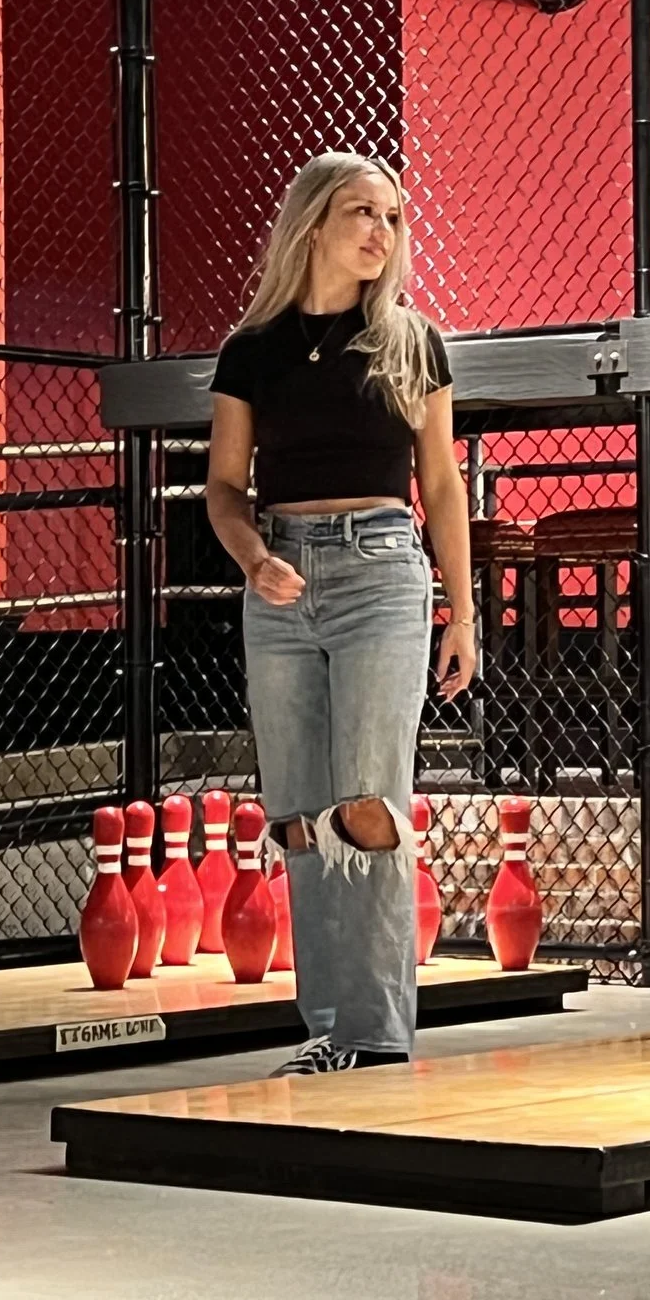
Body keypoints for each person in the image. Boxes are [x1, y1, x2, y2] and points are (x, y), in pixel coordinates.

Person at [206, 153, 478, 1075]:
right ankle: (328, 1030)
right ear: (314, 222)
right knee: (299, 812)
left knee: (368, 803)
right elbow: (224, 488)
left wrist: (463, 613)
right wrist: (254, 558)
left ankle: (376, 1035)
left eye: (393, 217)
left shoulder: (412, 341)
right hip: (280, 577)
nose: (381, 231)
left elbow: (441, 484)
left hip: (382, 572)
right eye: (363, 212)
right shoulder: (252, 350)